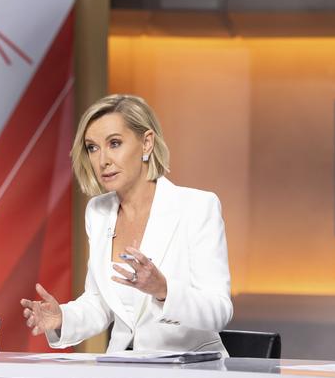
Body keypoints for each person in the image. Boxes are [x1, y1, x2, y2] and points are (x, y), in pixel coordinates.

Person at [20, 94, 233, 352]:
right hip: (124, 372)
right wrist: (62, 318)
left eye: (115, 143)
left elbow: (219, 311)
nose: (102, 161)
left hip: (189, 376)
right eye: (92, 148)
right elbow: (99, 304)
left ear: (146, 143)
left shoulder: (197, 207)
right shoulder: (98, 212)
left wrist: (163, 290)